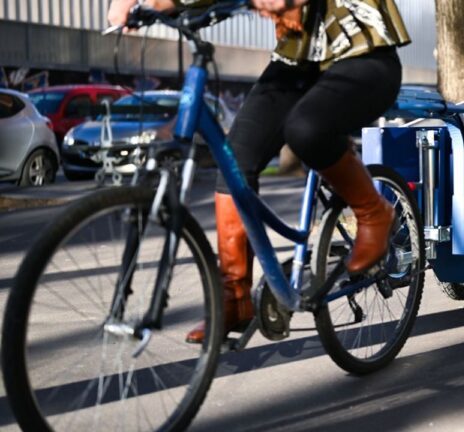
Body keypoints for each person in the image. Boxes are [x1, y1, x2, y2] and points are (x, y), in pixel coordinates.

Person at [107, 0, 410, 343]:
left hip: (363, 51)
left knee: (306, 129)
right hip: (295, 63)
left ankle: (373, 212)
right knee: (234, 158)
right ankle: (234, 299)